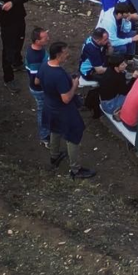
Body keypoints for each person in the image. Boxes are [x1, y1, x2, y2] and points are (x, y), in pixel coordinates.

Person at [37, 41, 95, 179]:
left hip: (49, 106)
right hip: (63, 110)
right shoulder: (59, 74)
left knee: (55, 130)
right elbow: (66, 99)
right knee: (73, 136)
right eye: (65, 52)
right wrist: (74, 84)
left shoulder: (44, 65)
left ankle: (54, 156)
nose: (68, 54)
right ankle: (75, 170)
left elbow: (37, 82)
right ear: (58, 55)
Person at [24, 26, 51, 145]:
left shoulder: (40, 50)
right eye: (45, 38)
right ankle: (44, 137)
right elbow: (36, 80)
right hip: (40, 89)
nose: (48, 39)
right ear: (37, 41)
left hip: (44, 87)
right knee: (43, 111)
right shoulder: (34, 57)